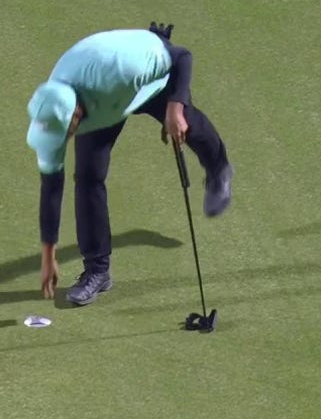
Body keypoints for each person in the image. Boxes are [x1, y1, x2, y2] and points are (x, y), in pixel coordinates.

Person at [26, 22, 233, 305]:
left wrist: (175, 107)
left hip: (148, 83)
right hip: (106, 106)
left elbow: (182, 56)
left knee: (187, 123)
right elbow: (51, 188)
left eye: (65, 131)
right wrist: (48, 256)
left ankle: (218, 169)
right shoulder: (50, 114)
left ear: (75, 115)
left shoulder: (123, 69)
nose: (61, 141)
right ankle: (97, 270)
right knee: (87, 176)